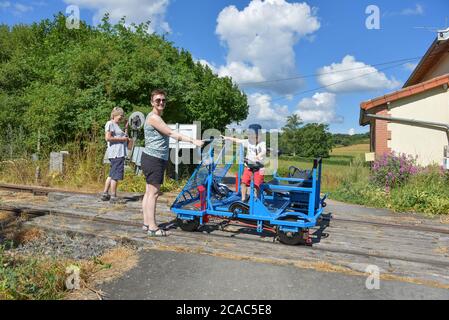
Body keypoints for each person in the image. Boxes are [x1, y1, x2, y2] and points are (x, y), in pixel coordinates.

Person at [141, 89, 204, 237]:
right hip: (154, 159)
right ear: (152, 102)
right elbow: (171, 133)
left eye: (163, 100)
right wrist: (193, 140)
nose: (161, 102)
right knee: (154, 193)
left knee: (149, 192)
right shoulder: (153, 118)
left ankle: (146, 223)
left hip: (153, 158)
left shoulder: (155, 117)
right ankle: (152, 227)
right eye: (158, 100)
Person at [222, 124, 266, 202]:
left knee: (257, 186)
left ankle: (257, 201)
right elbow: (237, 140)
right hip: (249, 167)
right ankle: (243, 199)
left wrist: (259, 155)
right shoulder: (248, 142)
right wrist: (227, 138)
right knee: (243, 183)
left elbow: (264, 151)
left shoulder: (262, 143)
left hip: (259, 168)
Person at [101, 107, 131, 203]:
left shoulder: (116, 125)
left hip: (119, 153)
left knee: (111, 174)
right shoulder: (110, 124)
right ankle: (113, 197)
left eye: (122, 116)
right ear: (114, 115)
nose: (121, 118)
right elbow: (108, 138)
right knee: (116, 176)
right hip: (116, 153)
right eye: (120, 116)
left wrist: (126, 128)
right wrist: (122, 140)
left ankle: (105, 194)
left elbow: (124, 137)